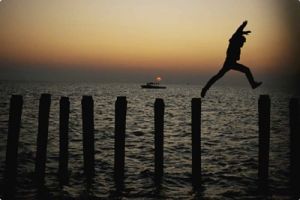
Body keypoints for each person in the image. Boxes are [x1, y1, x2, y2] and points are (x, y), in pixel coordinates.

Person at [201, 21, 262, 98]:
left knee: (219, 76)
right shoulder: (233, 41)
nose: (243, 44)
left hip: (231, 63)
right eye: (242, 42)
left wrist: (243, 33)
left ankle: (205, 89)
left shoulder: (237, 46)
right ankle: (253, 84)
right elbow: (237, 33)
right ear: (239, 40)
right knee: (245, 70)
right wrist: (243, 26)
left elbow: (238, 34)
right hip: (229, 63)